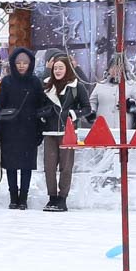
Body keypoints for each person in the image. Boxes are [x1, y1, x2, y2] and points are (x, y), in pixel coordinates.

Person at [37, 53, 92, 213]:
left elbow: (87, 108)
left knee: (66, 167)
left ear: (67, 69)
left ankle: (62, 198)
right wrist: (43, 114)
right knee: (49, 167)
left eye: (61, 67)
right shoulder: (46, 86)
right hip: (49, 132)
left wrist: (72, 114)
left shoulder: (77, 86)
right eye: (55, 68)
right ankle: (52, 197)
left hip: (68, 132)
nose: (58, 71)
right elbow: (38, 108)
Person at [0, 47, 45, 210]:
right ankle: (13, 197)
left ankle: (24, 198)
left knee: (26, 165)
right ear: (13, 64)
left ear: (30, 64)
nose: (22, 66)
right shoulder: (7, 81)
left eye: (25, 63)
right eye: (18, 63)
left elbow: (40, 106)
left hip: (29, 128)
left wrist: (39, 129)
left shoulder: (35, 82)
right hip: (10, 129)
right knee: (11, 165)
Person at [89, 55, 136, 131]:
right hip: (102, 127)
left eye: (118, 67)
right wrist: (92, 111)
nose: (115, 70)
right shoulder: (100, 84)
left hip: (124, 128)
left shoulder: (131, 84)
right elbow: (92, 101)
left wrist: (132, 106)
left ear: (124, 69)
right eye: (112, 67)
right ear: (108, 69)